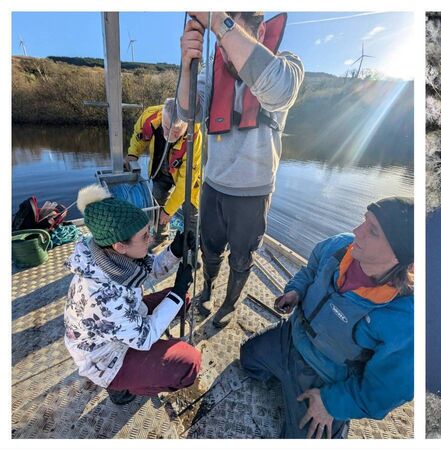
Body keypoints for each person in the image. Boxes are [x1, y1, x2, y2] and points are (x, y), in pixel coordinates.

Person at [240, 197, 414, 438]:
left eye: (373, 231)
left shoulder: (406, 320)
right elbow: (310, 270)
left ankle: (328, 416)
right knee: (247, 359)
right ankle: (286, 382)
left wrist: (332, 403)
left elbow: (384, 392)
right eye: (364, 220)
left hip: (327, 378)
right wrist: (295, 291)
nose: (357, 231)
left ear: (402, 257)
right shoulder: (339, 246)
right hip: (291, 337)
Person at [178, 11, 304, 328]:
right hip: (213, 186)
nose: (224, 49)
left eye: (231, 34)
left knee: (242, 257)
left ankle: (229, 304)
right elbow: (187, 111)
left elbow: (279, 90)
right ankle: (207, 290)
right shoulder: (213, 70)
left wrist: (218, 22)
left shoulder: (286, 64)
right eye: (220, 42)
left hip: (253, 192)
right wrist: (187, 64)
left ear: (260, 32)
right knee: (209, 249)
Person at [63, 184, 200, 405]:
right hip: (106, 357)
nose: (151, 238)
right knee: (189, 363)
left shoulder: (108, 254)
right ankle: (120, 386)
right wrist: (177, 289)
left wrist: (174, 251)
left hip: (123, 319)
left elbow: (150, 269)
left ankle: (137, 371)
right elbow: (144, 337)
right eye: (145, 236)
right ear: (120, 246)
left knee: (181, 301)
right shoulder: (102, 296)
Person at [124, 98, 202, 247]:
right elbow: (139, 136)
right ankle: (161, 239)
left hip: (187, 179)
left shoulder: (195, 139)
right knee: (157, 204)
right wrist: (133, 154)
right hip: (160, 171)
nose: (169, 135)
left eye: (176, 132)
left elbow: (185, 183)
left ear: (186, 124)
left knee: (191, 211)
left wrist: (169, 211)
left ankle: (191, 246)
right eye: (166, 128)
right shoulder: (150, 116)